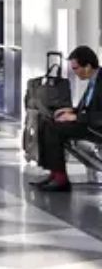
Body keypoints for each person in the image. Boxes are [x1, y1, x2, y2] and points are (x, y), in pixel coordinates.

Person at [30, 46, 102, 192]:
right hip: (88, 122)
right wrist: (72, 110)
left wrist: (76, 116)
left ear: (87, 66)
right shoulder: (94, 80)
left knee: (55, 130)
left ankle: (61, 179)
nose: (74, 73)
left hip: (96, 127)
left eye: (76, 68)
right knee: (45, 122)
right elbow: (90, 106)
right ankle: (54, 172)